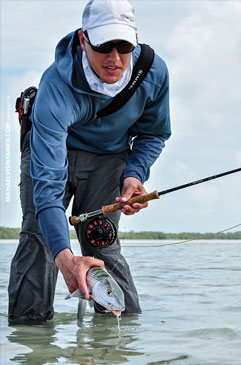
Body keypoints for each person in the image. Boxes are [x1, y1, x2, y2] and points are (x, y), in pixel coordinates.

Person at [8, 0, 171, 323]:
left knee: (101, 239)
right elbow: (48, 191)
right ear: (84, 40)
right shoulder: (56, 86)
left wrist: (134, 175)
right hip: (53, 153)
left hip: (110, 157)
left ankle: (121, 334)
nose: (114, 58)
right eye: (103, 45)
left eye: (124, 46)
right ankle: (29, 335)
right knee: (40, 237)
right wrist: (66, 259)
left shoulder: (153, 71)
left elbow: (154, 134)